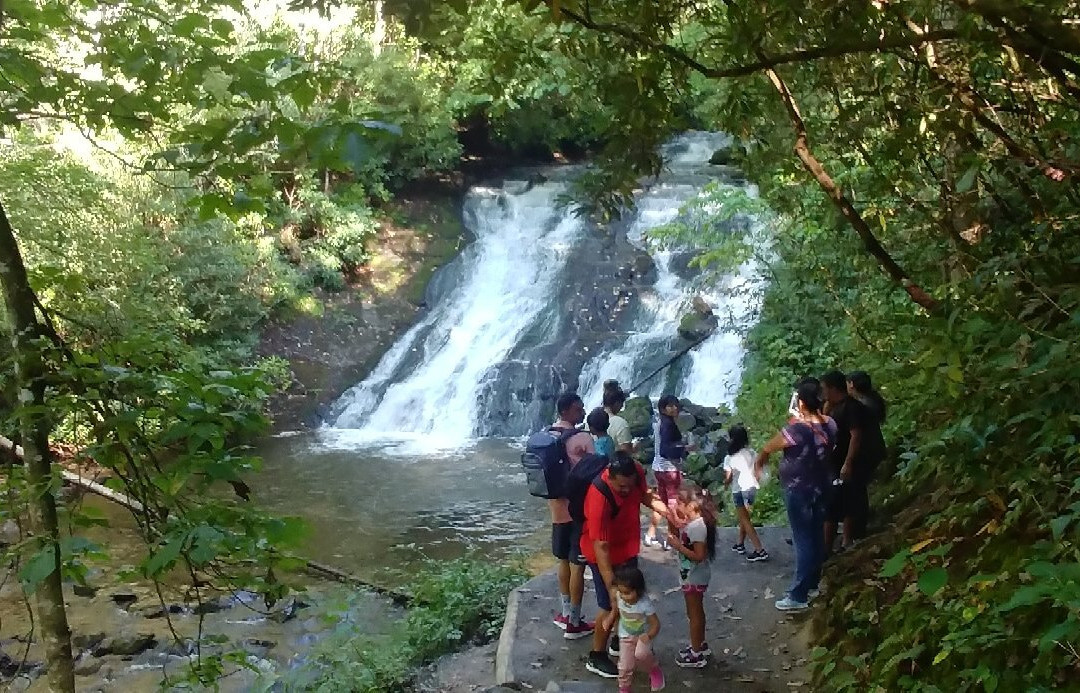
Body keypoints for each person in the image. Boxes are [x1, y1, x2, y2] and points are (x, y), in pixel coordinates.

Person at [581, 451, 674, 678]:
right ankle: (596, 655)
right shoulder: (599, 496)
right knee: (609, 605)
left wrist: (670, 513)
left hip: (627, 548)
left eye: (629, 485)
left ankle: (618, 640)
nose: (626, 490)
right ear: (610, 476)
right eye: (621, 486)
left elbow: (645, 496)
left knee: (632, 597)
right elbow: (601, 546)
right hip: (602, 555)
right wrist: (611, 586)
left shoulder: (636, 473)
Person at [754, 380, 836, 611]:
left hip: (800, 491)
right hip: (823, 487)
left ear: (800, 403)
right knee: (816, 536)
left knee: (803, 541)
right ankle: (813, 584)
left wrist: (759, 466)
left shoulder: (795, 430)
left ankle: (798, 595)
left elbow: (767, 448)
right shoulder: (830, 424)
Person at [549, 393, 596, 639]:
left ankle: (565, 612)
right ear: (566, 411)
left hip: (556, 509)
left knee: (563, 561)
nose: (583, 412)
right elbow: (597, 469)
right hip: (578, 510)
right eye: (579, 409)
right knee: (578, 564)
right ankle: (574, 623)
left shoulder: (547, 435)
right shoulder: (582, 437)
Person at [821, 370, 874, 554]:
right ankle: (830, 546)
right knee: (835, 502)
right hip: (834, 461)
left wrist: (848, 463)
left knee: (846, 500)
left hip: (846, 462)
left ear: (833, 388)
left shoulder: (851, 408)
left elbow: (856, 436)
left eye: (824, 388)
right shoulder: (834, 406)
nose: (823, 393)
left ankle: (844, 541)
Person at [668, 486, 716, 668]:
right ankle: (699, 644)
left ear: (692, 506)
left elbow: (699, 555)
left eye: (680, 503)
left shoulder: (697, 528)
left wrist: (678, 546)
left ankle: (696, 654)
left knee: (694, 614)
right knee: (696, 612)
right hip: (693, 575)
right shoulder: (696, 524)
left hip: (694, 576)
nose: (677, 505)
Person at [602, 565, 665, 693]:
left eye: (628, 593)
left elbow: (655, 624)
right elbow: (616, 610)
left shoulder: (644, 604)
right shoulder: (618, 596)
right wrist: (609, 619)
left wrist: (649, 635)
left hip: (642, 636)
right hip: (625, 636)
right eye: (621, 592)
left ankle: (654, 670)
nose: (624, 596)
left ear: (639, 590)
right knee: (624, 666)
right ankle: (624, 687)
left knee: (641, 655)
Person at [645, 394, 692, 549]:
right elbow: (667, 450)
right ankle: (672, 538)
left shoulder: (659, 423)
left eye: (676, 405)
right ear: (662, 408)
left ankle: (650, 534)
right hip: (669, 470)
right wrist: (685, 448)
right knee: (673, 504)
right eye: (670, 406)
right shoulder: (668, 425)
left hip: (658, 468)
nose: (674, 408)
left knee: (662, 503)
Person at [846, 371, 887, 538]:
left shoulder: (862, 405)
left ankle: (857, 529)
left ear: (852, 385)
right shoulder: (871, 401)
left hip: (866, 451)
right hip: (873, 449)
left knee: (857, 490)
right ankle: (856, 528)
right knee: (858, 489)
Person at [723, 424, 768, 561]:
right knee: (745, 517)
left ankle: (759, 550)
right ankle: (740, 544)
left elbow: (728, 478)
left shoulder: (730, 457)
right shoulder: (752, 452)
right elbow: (758, 468)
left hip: (739, 490)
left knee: (744, 520)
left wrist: (725, 485)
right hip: (751, 488)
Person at [602, 382, 634, 455]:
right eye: (621, 404)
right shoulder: (621, 423)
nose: (621, 407)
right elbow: (626, 453)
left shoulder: (590, 421)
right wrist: (633, 448)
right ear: (617, 403)